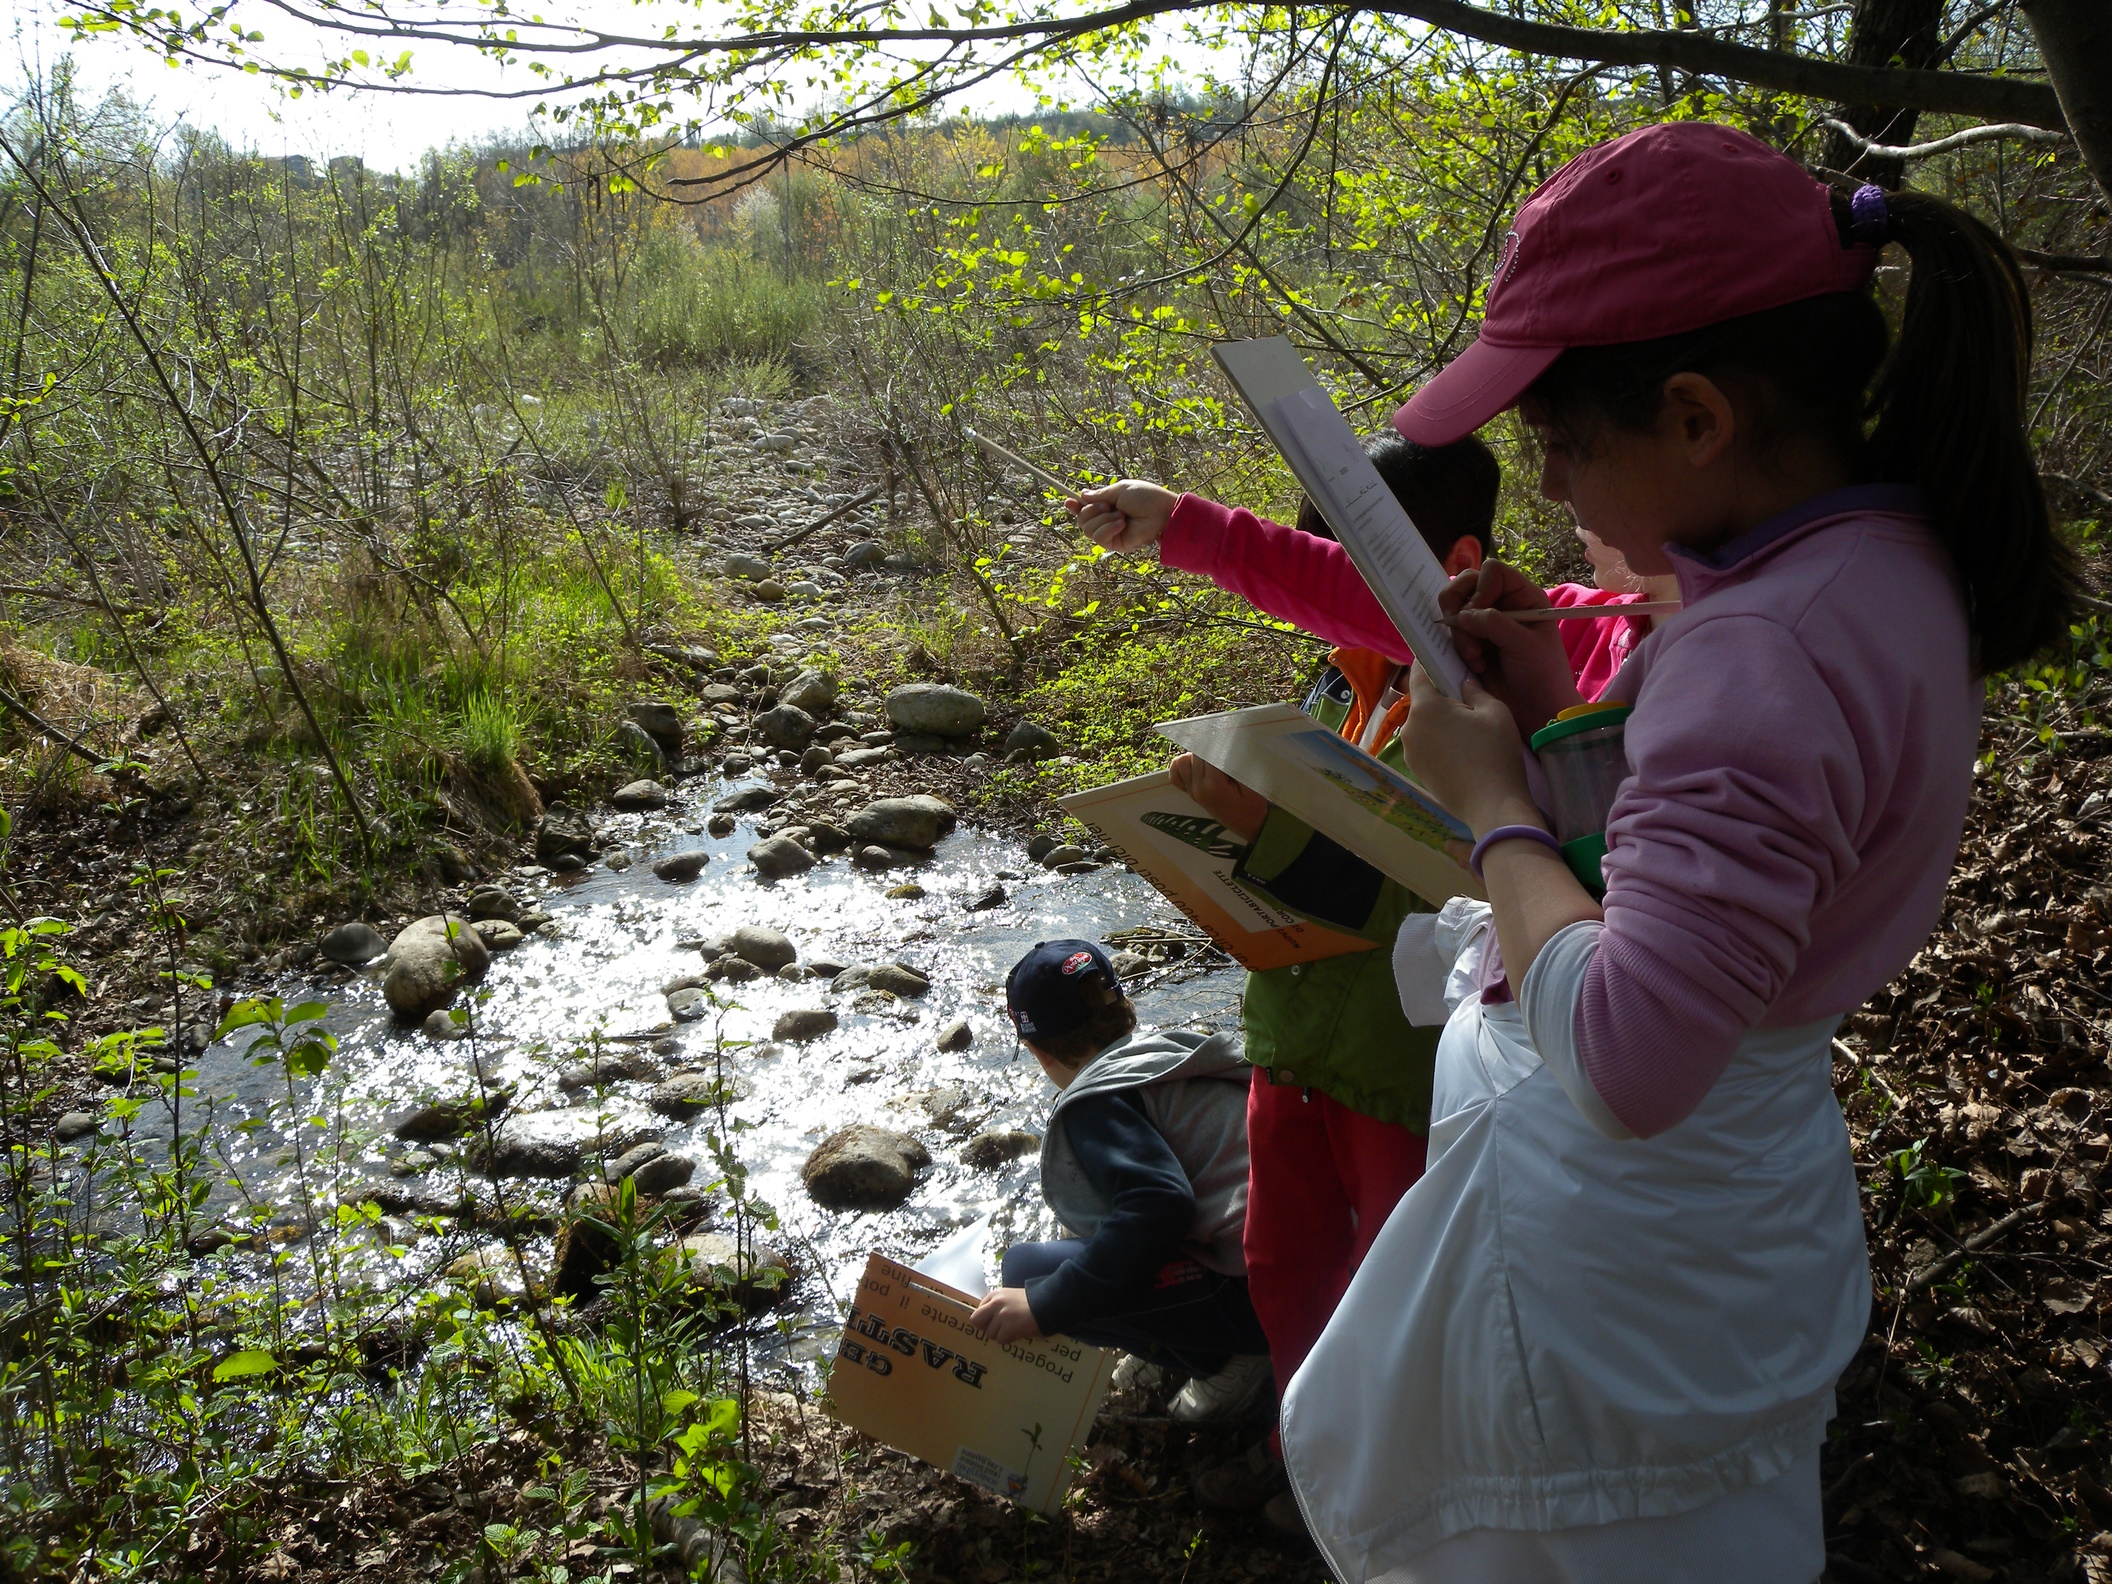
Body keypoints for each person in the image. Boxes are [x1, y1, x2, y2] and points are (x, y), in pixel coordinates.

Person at [1244, 122, 2078, 1583]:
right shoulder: (1869, 567)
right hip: (1722, 1227)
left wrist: (1495, 791)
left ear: (1697, 418)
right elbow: (1695, 870)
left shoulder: (1752, 653)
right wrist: (1566, 716)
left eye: (1562, 441)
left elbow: (1634, 1053)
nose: (1552, 486)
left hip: (1616, 1280)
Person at [1061, 436, 1508, 1535]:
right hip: (1293, 1031)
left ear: (1451, 559)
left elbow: (1454, 902)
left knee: (1393, 1292)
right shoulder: (1339, 671)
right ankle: (1304, 1460)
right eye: (1309, 557)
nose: (1315, 588)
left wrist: (1264, 845)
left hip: (1400, 1066)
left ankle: (1396, 1501)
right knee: (1283, 1264)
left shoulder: (1491, 707)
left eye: (1339, 562)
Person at [968, 940, 1273, 1424]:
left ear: (1037, 1050)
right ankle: (1180, 1342)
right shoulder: (1164, 1054)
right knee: (1089, 1243)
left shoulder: (1098, 1101)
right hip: (1311, 1263)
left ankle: (1227, 1360)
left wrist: (1046, 1305)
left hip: (1262, 1294)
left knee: (1027, 1275)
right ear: (1121, 1008)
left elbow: (1161, 1203)